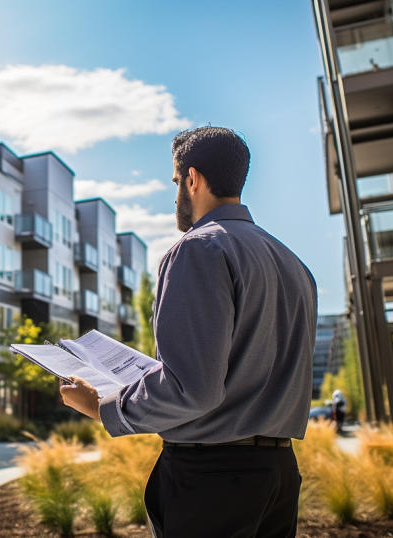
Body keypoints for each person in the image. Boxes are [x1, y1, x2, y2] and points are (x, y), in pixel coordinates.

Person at [60, 127, 317, 537]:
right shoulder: (292, 263)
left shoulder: (198, 249)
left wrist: (101, 407)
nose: (177, 192)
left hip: (213, 481)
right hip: (279, 474)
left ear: (192, 179)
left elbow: (192, 388)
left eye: (177, 181)